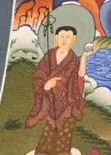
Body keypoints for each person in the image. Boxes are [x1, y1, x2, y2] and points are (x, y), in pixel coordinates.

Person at [25, 26, 95, 155]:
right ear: (56, 38)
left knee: (64, 136)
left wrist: (84, 57)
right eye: (62, 36)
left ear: (74, 40)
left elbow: (79, 76)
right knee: (48, 133)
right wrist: (46, 84)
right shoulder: (49, 56)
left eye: (68, 37)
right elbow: (39, 73)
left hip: (68, 103)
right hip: (50, 101)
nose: (64, 40)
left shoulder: (73, 59)